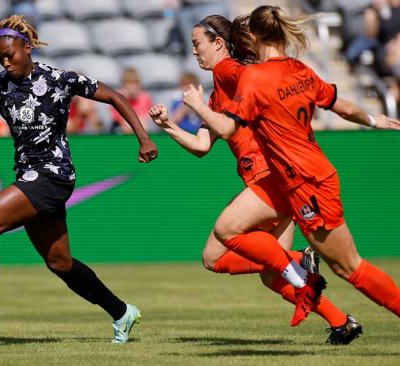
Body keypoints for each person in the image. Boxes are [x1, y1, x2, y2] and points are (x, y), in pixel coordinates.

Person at [0, 15, 158, 344]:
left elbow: (116, 97)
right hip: (28, 176)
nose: (5, 61)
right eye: (0, 57)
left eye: (10, 54)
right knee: (59, 262)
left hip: (53, 174)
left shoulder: (60, 79)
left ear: (27, 48)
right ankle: (122, 312)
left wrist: (144, 138)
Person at [182, 5, 400, 326]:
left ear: (253, 36)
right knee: (237, 238)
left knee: (349, 267)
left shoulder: (252, 78)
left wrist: (198, 106)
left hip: (306, 184)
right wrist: (372, 118)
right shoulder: (299, 69)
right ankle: (305, 279)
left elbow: (228, 129)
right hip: (300, 178)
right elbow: (341, 106)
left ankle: (299, 270)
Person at [150, 14, 360, 344]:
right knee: (272, 278)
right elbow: (203, 145)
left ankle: (298, 261)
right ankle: (340, 322)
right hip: (276, 179)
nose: (194, 52)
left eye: (197, 44)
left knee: (214, 257)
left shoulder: (227, 70)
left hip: (267, 179)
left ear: (218, 44)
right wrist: (168, 126)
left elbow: (255, 78)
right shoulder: (219, 91)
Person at [110, 68, 154, 133]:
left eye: (134, 83)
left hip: (142, 125)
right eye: (129, 83)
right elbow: (116, 116)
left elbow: (148, 115)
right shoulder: (118, 97)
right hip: (123, 126)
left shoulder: (145, 97)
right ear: (123, 85)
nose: (132, 87)